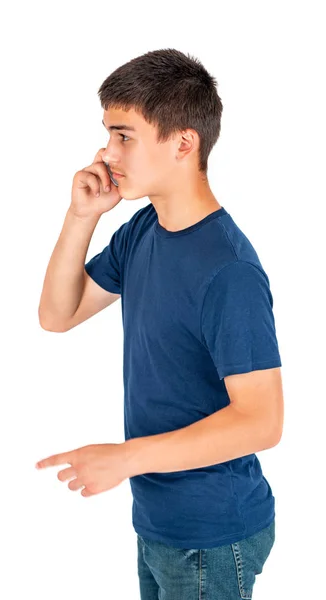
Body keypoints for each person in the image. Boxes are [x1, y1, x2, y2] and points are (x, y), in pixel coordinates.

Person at [38, 48, 284, 600]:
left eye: (124, 135)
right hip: (160, 522)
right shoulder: (143, 230)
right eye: (107, 133)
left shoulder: (229, 271)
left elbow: (263, 421)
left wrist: (125, 459)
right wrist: (82, 216)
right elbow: (58, 314)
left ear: (183, 142)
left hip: (213, 538)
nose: (106, 151)